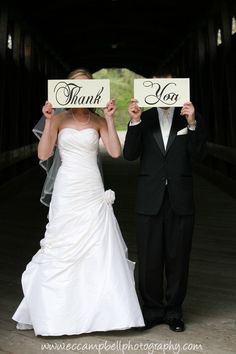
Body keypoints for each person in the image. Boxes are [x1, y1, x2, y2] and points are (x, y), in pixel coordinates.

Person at [12, 68, 145, 336]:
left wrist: (109, 119)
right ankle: (57, 314)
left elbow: (116, 152)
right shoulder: (59, 119)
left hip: (92, 188)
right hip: (67, 188)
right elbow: (44, 152)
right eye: (76, 87)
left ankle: (101, 315)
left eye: (86, 87)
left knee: (98, 246)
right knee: (63, 245)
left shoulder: (97, 120)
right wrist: (49, 121)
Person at [123, 68, 206, 332]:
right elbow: (129, 154)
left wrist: (192, 124)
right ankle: (152, 310)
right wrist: (134, 122)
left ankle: (174, 311)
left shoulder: (189, 118)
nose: (164, 91)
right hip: (149, 198)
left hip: (180, 199)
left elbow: (199, 156)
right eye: (158, 86)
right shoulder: (143, 119)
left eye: (169, 86)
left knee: (178, 256)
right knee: (149, 256)